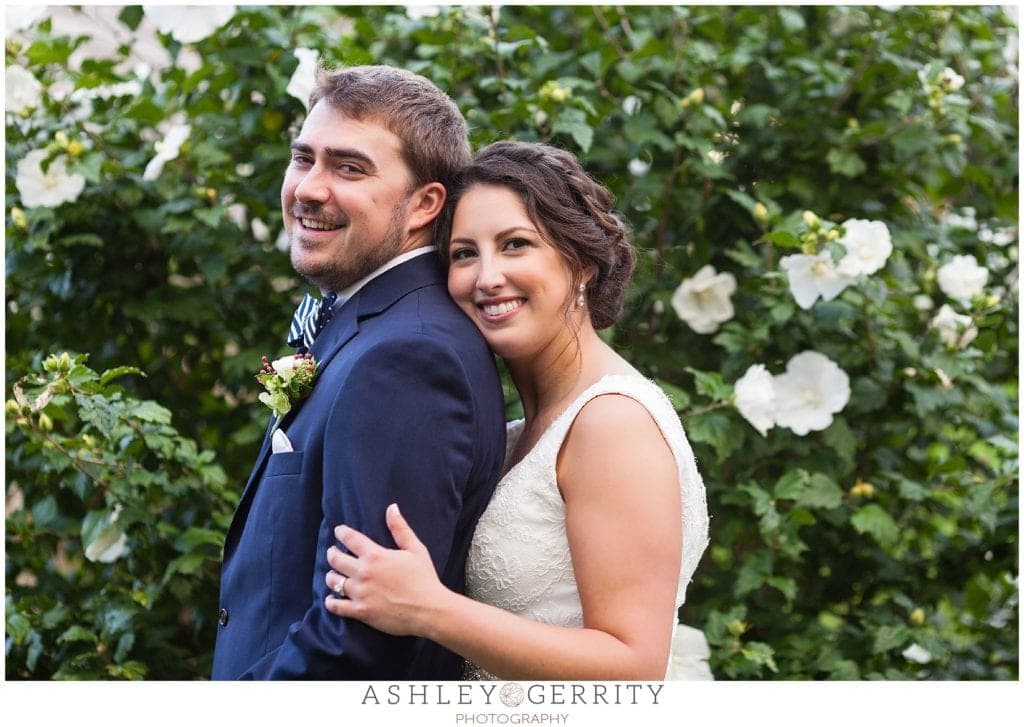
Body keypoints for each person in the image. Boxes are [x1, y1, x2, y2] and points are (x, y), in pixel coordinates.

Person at [322, 140, 710, 680]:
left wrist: (430, 609)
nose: (486, 277)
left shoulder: (613, 423)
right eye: (464, 253)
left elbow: (633, 667)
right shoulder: (519, 431)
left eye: (515, 245)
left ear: (581, 263)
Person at [211, 65, 507, 680]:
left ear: (425, 204)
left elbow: (356, 640)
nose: (309, 190)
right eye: (304, 159)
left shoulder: (408, 359)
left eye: (349, 168)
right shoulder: (364, 324)